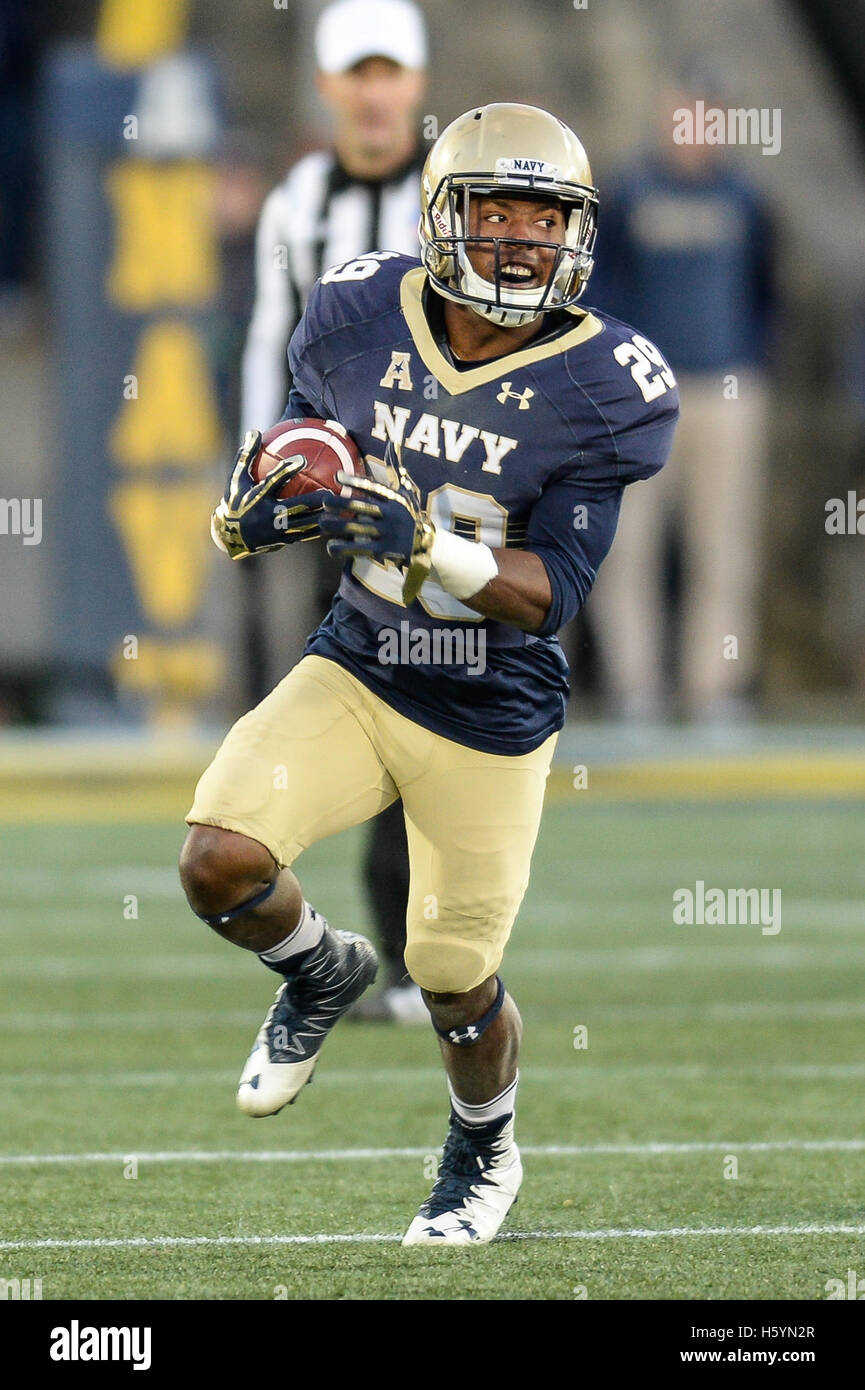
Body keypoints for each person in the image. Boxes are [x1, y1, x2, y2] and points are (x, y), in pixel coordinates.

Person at [179, 103, 678, 1245]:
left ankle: (482, 1151)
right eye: (494, 210)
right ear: (442, 215)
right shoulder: (362, 308)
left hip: (488, 705)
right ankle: (315, 970)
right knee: (218, 861)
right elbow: (307, 430)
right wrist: (262, 495)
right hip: (360, 658)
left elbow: (554, 589)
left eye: (542, 217)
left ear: (577, 234)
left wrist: (425, 543)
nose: (516, 240)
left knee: (454, 978)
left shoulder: (605, 382)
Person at [240, 0, 429, 1021]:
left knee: (427, 726)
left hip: (442, 504)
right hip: (332, 507)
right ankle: (321, 947)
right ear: (327, 86)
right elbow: (271, 338)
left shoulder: (449, 199)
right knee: (330, 715)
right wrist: (254, 466)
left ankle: (408, 955)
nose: (372, 91)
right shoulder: (300, 201)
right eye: (355, 72)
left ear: (414, 83)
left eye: (387, 71)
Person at [587, 69, 775, 721]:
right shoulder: (630, 193)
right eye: (681, 116)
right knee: (630, 541)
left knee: (722, 541)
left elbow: (763, 290)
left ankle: (713, 686)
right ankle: (633, 684)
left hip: (726, 390)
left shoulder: (743, 197)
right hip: (641, 395)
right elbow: (600, 290)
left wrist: (749, 360)